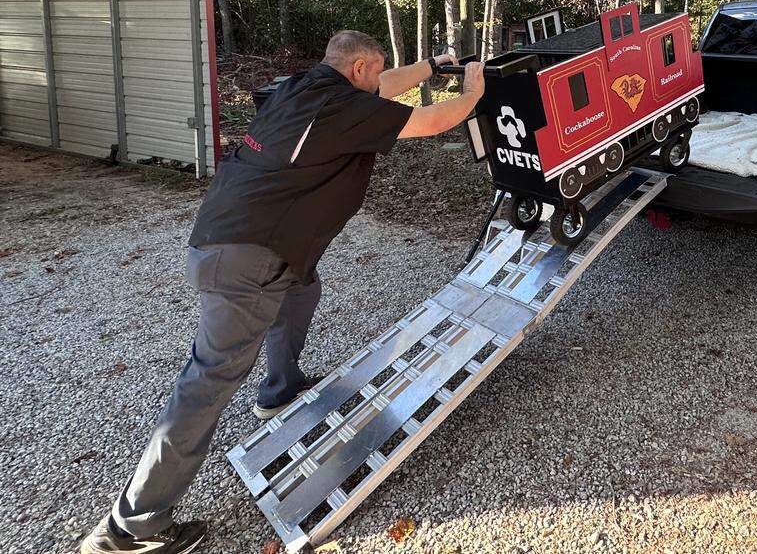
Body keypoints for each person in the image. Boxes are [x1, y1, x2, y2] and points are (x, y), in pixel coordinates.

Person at [81, 31, 485, 554]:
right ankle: (131, 528)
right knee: (206, 382)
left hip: (237, 241)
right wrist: (473, 91)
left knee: (301, 290)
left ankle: (280, 391)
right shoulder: (342, 106)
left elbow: (385, 85)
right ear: (358, 68)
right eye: (375, 68)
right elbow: (432, 121)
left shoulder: (300, 88)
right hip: (248, 258)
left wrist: (431, 65)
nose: (379, 79)